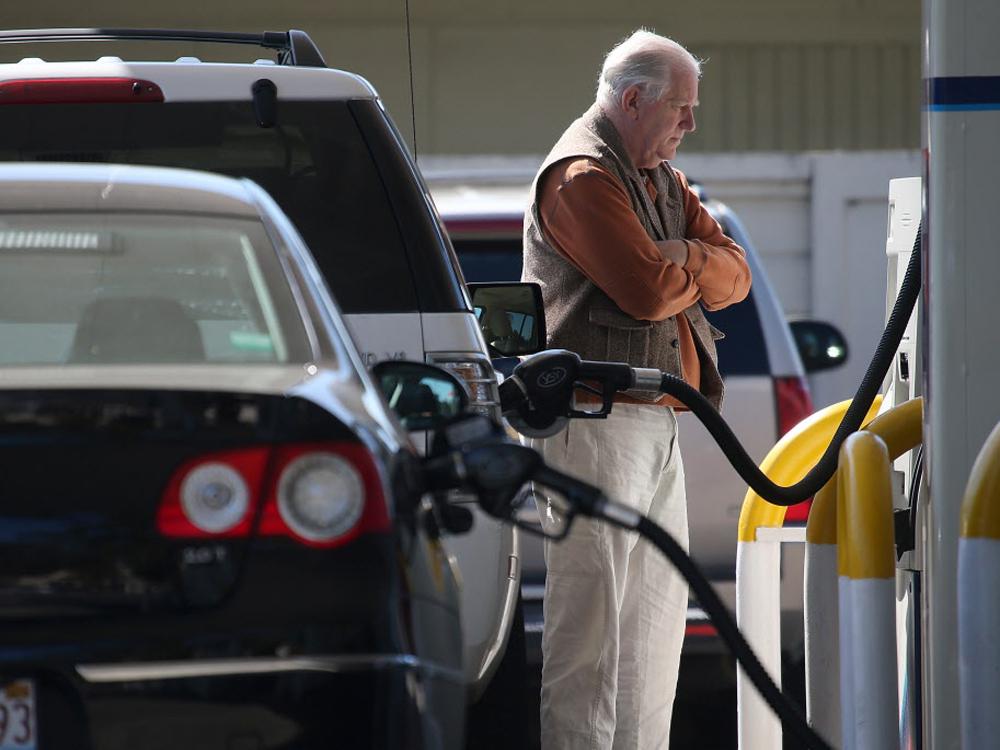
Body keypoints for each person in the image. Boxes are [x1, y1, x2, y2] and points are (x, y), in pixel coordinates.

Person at [521, 29, 752, 749]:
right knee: (591, 625)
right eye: (681, 108)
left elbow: (737, 274)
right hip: (596, 423)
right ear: (631, 99)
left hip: (656, 419)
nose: (690, 123)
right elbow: (649, 293)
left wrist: (681, 253)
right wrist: (689, 266)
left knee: (654, 623)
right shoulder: (583, 176)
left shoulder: (660, 178)